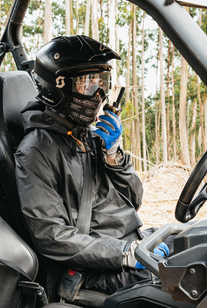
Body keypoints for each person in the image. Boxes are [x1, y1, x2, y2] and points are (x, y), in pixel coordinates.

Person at [14, 35, 168, 296]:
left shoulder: (89, 136)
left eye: (101, 82)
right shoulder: (36, 152)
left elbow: (133, 199)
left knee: (200, 243)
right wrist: (126, 255)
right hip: (95, 267)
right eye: (87, 84)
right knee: (184, 282)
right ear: (57, 88)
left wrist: (113, 155)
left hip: (131, 243)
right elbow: (52, 236)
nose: (98, 94)